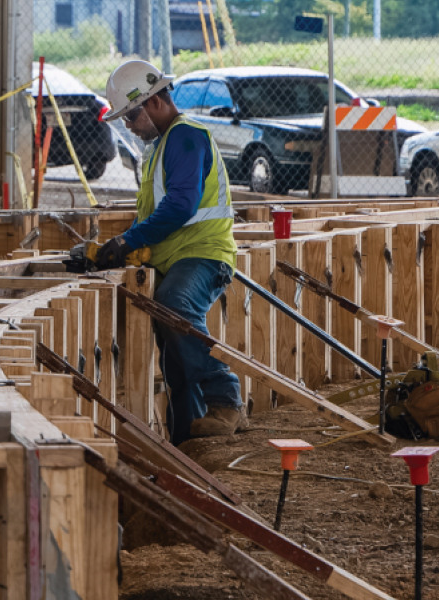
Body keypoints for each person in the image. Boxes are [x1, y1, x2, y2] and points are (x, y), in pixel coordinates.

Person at [95, 60, 244, 445]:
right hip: (177, 256)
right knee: (175, 359)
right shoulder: (160, 148)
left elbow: (180, 206)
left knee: (175, 305)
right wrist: (132, 244)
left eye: (131, 115)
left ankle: (225, 397)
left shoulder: (185, 137)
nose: (128, 125)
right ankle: (190, 440)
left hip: (203, 254)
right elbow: (159, 214)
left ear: (154, 103)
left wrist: (127, 241)